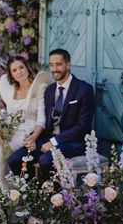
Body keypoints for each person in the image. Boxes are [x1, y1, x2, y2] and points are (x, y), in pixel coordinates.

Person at [8, 48, 95, 180]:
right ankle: (30, 189)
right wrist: (33, 138)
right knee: (15, 159)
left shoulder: (84, 89)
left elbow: (81, 127)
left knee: (45, 160)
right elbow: (45, 121)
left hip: (73, 142)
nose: (55, 69)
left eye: (58, 64)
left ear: (68, 64)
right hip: (48, 138)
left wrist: (54, 142)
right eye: (51, 65)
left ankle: (53, 196)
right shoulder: (49, 90)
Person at [0, 55, 52, 189]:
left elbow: (42, 120)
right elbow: (8, 116)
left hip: (28, 133)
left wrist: (33, 137)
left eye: (21, 67)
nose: (19, 72)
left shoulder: (40, 87)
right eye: (14, 70)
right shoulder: (12, 90)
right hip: (11, 132)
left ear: (27, 68)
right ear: (11, 75)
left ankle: (6, 190)